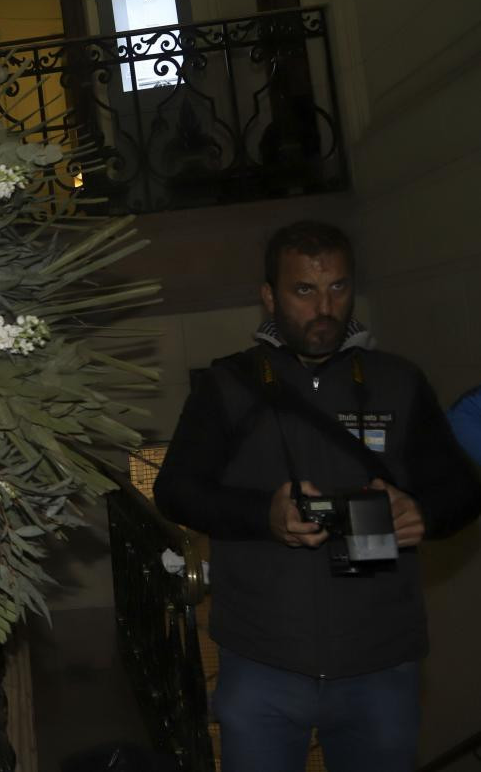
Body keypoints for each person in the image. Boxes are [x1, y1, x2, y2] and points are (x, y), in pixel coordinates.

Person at [153, 220, 481, 772]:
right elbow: (176, 492)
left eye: (338, 288)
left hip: (381, 665)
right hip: (262, 664)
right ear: (269, 296)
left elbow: (464, 490)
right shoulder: (227, 385)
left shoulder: (399, 381)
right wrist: (266, 515)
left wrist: (422, 512)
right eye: (304, 290)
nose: (324, 307)